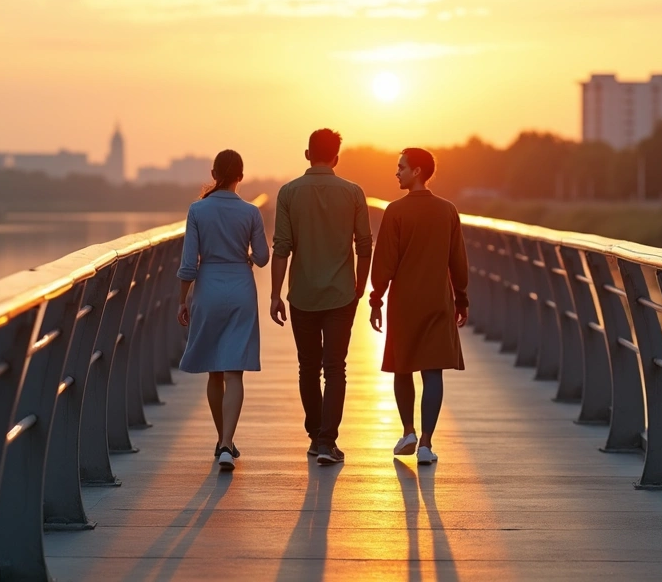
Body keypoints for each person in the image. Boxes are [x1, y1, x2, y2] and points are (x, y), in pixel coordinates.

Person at [270, 128, 373, 466]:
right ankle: (328, 441)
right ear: (336, 157)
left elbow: (281, 248)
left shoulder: (287, 193)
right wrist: (361, 284)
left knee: (308, 367)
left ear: (306, 154)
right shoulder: (354, 193)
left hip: (302, 294)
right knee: (335, 368)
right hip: (342, 293)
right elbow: (364, 244)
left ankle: (316, 437)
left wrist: (274, 294)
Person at [369, 148, 469, 466]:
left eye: (401, 167)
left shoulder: (395, 212)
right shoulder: (447, 211)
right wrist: (462, 297)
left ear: (417, 171)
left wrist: (376, 298)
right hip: (438, 300)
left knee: (402, 367)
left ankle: (408, 431)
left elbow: (384, 261)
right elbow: (458, 261)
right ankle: (426, 443)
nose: (396, 173)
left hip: (404, 301)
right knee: (432, 370)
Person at [176, 149, 270, 471]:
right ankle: (227, 442)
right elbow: (262, 257)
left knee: (215, 371)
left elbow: (189, 264)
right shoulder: (251, 212)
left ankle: (223, 442)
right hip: (241, 288)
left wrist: (181, 299)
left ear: (214, 174)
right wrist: (244, 255)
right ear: (240, 176)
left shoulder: (197, 210)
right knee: (235, 371)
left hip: (208, 288)